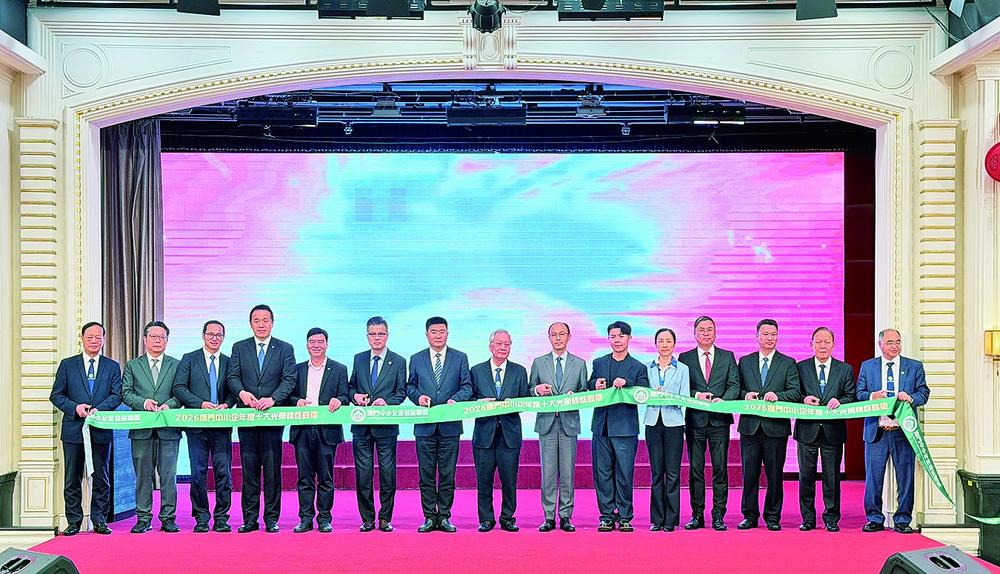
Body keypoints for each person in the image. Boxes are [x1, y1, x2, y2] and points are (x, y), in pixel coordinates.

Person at [226, 304, 296, 533]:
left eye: (266, 320)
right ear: (250, 324)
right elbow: (232, 377)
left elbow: (289, 379)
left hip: (272, 417)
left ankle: (272, 519)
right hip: (247, 417)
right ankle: (250, 519)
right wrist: (242, 393)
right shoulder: (239, 347)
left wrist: (273, 398)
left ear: (272, 323)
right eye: (257, 320)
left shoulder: (285, 348)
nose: (261, 324)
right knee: (249, 470)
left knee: (273, 471)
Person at [49, 322, 121, 536]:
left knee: (101, 477)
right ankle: (74, 521)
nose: (94, 341)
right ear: (82, 339)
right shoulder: (67, 365)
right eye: (90, 337)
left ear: (104, 340)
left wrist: (99, 410)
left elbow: (117, 395)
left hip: (101, 430)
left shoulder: (112, 366)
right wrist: (75, 408)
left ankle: (99, 520)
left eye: (98, 337)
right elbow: (56, 395)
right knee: (72, 477)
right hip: (73, 431)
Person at [857, 328, 930, 534]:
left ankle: (903, 520)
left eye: (898, 341)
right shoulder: (868, 366)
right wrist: (872, 396)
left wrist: (911, 398)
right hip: (877, 432)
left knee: (906, 478)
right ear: (880, 344)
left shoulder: (914, 366)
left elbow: (924, 392)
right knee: (874, 478)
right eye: (890, 342)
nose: (895, 346)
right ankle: (874, 518)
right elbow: (859, 393)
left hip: (903, 432)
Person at [405, 316, 473, 532]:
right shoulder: (416, 358)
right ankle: (428, 517)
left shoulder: (460, 357)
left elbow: (467, 386)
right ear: (427, 335)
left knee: (447, 474)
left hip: (450, 426)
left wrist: (456, 399)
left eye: (441, 331)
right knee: (425, 473)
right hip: (424, 427)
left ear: (447, 334)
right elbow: (410, 387)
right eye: (433, 332)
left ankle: (444, 516)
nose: (438, 335)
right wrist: (418, 397)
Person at [736, 318, 801, 531]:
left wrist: (778, 395)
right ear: (757, 336)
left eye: (773, 334)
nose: (769, 338)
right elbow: (735, 389)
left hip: (776, 428)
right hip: (750, 427)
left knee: (774, 474)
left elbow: (795, 392)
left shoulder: (788, 363)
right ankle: (749, 516)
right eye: (765, 334)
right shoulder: (745, 361)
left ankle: (773, 516)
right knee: (750, 474)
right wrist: (745, 395)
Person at [172, 320, 235, 533]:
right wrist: (200, 404)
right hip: (197, 426)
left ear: (223, 338)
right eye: (211, 334)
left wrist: (227, 404)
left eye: (219, 335)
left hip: (221, 426)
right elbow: (179, 387)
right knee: (198, 473)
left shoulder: (229, 361)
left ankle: (222, 518)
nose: (214, 338)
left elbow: (234, 390)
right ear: (203, 335)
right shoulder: (189, 359)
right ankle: (201, 517)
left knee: (223, 472)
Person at [677, 315, 739, 531]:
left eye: (709, 329)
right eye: (702, 330)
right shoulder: (684, 358)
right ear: (694, 333)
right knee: (696, 470)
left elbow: (734, 385)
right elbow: (681, 387)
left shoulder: (727, 356)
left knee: (720, 469)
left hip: (719, 421)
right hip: (695, 420)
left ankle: (719, 515)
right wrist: (696, 395)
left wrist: (724, 400)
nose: (706, 333)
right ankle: (697, 515)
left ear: (715, 332)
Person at [121, 320, 182, 534]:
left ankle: (168, 518)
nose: (158, 340)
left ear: (167, 340)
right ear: (145, 339)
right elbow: (126, 393)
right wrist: (143, 402)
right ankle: (143, 518)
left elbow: (181, 392)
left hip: (168, 430)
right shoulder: (132, 365)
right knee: (143, 477)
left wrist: (170, 404)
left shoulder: (176, 365)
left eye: (162, 337)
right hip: (141, 431)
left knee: (169, 476)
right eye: (154, 337)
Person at [589, 320, 649, 533]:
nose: (617, 340)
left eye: (621, 336)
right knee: (602, 473)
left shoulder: (639, 367)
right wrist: (594, 385)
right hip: (601, 426)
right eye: (613, 336)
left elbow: (644, 392)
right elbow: (589, 385)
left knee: (624, 473)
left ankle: (624, 516)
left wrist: (628, 383)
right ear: (608, 339)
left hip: (625, 428)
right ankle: (606, 515)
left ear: (629, 338)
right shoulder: (599, 363)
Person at [348, 316, 407, 533]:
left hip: (386, 426)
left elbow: (401, 392)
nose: (377, 338)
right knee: (363, 474)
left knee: (387, 474)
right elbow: (350, 387)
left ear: (387, 335)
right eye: (372, 334)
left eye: (381, 334)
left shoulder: (398, 361)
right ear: (367, 336)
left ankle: (385, 518)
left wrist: (387, 402)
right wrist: (355, 396)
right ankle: (367, 519)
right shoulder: (359, 359)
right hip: (362, 427)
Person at [794, 326, 855, 533]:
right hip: (807, 431)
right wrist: (804, 399)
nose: (822, 346)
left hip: (833, 431)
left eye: (827, 342)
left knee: (832, 477)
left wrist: (840, 401)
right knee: (806, 477)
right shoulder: (800, 367)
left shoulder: (844, 369)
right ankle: (807, 519)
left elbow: (851, 395)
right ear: (811, 344)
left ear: (833, 345)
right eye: (818, 342)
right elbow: (794, 393)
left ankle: (831, 518)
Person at [529, 322, 588, 533]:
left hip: (569, 424)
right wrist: (538, 390)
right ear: (549, 338)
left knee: (567, 473)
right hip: (546, 424)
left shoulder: (579, 364)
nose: (558, 338)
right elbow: (529, 389)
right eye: (554, 334)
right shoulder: (539, 362)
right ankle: (548, 517)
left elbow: (585, 392)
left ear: (569, 337)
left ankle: (565, 516)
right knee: (548, 474)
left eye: (562, 334)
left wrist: (576, 397)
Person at [288, 327, 348, 533]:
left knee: (326, 478)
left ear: (327, 344)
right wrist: (296, 402)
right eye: (312, 342)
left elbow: (345, 396)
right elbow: (288, 396)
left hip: (327, 431)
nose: (316, 345)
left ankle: (324, 518)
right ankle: (305, 519)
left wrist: (339, 400)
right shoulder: (296, 370)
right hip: (302, 430)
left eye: (320, 341)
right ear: (307, 345)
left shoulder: (339, 369)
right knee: (304, 477)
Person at [470, 329, 529, 532]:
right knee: (484, 479)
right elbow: (468, 398)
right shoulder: (476, 370)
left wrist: (515, 403)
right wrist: (479, 403)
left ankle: (507, 517)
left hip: (509, 434)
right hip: (484, 434)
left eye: (507, 344)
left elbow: (526, 400)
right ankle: (486, 519)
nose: (503, 348)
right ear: (490, 346)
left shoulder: (519, 371)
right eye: (499, 344)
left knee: (509, 480)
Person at [644, 328, 689, 532]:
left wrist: (668, 397)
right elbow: (641, 395)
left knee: (672, 473)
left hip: (674, 424)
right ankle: (657, 519)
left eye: (668, 341)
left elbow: (684, 397)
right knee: (656, 473)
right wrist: (652, 395)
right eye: (661, 341)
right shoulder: (647, 368)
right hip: (653, 423)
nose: (664, 344)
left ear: (674, 344)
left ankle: (671, 519)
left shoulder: (682, 369)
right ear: (655, 344)